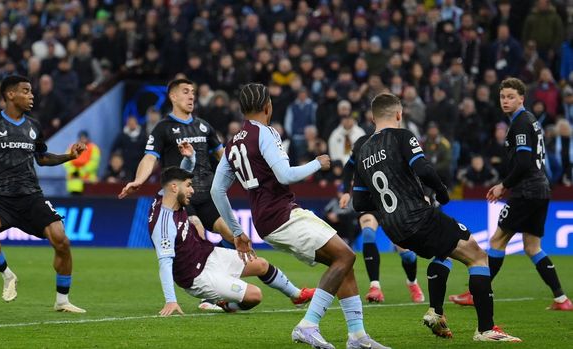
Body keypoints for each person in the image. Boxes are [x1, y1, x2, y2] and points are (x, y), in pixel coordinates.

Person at [211, 83, 389, 349]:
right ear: (267, 107)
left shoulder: (233, 143)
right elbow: (286, 175)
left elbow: (217, 190)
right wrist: (319, 163)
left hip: (267, 219)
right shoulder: (266, 133)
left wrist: (237, 232)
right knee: (345, 256)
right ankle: (308, 325)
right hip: (282, 214)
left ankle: (357, 336)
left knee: (342, 261)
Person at [352, 93, 520, 341]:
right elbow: (424, 169)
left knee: (444, 252)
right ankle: (486, 329)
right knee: (477, 255)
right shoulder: (402, 136)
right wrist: (442, 193)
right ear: (399, 114)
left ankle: (436, 312)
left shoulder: (362, 150)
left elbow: (359, 202)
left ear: (373, 117)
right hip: (418, 217)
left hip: (393, 228)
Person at [0, 75, 86, 313]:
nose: (31, 95)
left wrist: (69, 156)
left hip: (30, 196)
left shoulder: (33, 126)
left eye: (32, 91)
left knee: (62, 240)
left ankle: (62, 300)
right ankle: (7, 275)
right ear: (10, 95)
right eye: (26, 91)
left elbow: (42, 159)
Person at [449, 78, 572, 311]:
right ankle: (561, 299)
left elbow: (524, 163)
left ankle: (477, 293)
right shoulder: (528, 121)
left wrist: (503, 185)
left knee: (497, 240)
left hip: (527, 191)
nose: (506, 101)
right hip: (541, 190)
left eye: (511, 97)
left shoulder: (521, 123)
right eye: (503, 97)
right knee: (532, 246)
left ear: (522, 98)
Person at [119, 78, 236, 311]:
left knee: (233, 235)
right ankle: (209, 297)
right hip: (183, 197)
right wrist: (139, 180)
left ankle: (226, 288)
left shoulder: (204, 126)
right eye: (185, 92)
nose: (191, 96)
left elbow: (222, 156)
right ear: (173, 97)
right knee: (197, 232)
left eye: (193, 92)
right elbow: (150, 157)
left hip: (208, 193)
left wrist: (244, 175)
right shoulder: (163, 128)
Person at [152, 162, 314, 317]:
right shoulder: (164, 225)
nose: (192, 190)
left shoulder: (166, 196)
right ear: (174, 188)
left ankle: (296, 295)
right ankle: (227, 305)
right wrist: (171, 301)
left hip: (208, 254)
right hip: (198, 276)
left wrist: (190, 158)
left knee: (262, 265)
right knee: (254, 295)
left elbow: (178, 176)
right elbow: (165, 264)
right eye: (189, 186)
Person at [339, 134, 425, 304]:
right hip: (368, 202)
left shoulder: (396, 142)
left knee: (407, 254)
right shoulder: (361, 143)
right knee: (368, 234)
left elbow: (416, 169)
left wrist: (423, 195)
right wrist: (345, 192)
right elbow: (348, 167)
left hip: (392, 203)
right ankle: (375, 287)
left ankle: (412, 283)